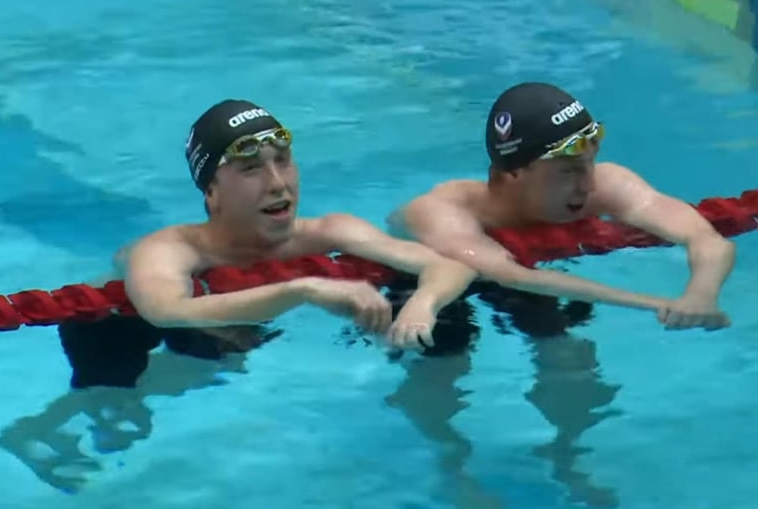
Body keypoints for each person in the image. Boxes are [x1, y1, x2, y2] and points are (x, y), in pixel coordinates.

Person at [58, 98, 477, 389]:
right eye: (251, 169)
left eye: (283, 161)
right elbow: (167, 310)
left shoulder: (329, 229)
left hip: (221, 325)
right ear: (212, 193)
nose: (278, 184)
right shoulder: (167, 250)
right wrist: (304, 289)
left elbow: (451, 265)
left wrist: (425, 303)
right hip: (110, 328)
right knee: (116, 397)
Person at [389, 81, 734, 331]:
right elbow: (514, 276)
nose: (589, 184)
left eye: (591, 162)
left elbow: (703, 236)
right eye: (568, 171)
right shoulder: (442, 212)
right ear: (513, 174)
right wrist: (659, 303)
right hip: (432, 280)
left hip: (529, 276)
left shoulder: (607, 183)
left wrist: (700, 294)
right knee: (445, 359)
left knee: (570, 357)